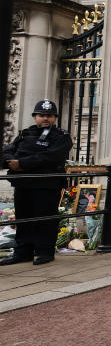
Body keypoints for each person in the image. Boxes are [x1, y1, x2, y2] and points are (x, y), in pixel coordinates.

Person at [0, 100, 72, 265]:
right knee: (23, 218)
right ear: (35, 117)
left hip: (46, 184)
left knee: (45, 219)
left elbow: (50, 157)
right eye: (41, 115)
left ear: (55, 118)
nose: (45, 118)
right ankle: (23, 251)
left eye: (49, 115)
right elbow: (8, 150)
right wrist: (10, 161)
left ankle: (45, 251)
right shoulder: (25, 134)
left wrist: (22, 164)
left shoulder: (61, 136)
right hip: (23, 184)